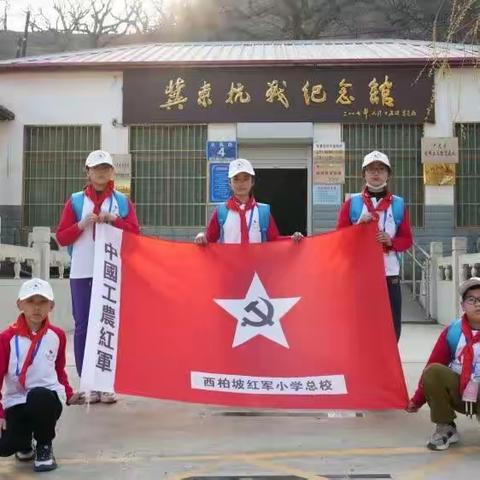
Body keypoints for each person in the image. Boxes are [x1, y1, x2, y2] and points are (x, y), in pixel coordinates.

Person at [56, 150, 140, 404]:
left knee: (109, 325)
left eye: (105, 168)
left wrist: (114, 220)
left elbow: (135, 235)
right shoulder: (76, 201)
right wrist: (82, 224)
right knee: (83, 326)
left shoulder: (122, 202)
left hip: (112, 272)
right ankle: (87, 383)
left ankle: (107, 383)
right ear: (88, 172)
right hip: (82, 271)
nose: (101, 172)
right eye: (96, 168)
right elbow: (61, 237)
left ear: (112, 172)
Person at [0, 278, 84, 472]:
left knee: (39, 396)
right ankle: (23, 442)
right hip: (16, 401)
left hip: (46, 400)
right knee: (5, 446)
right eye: (30, 302)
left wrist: (69, 395)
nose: (36, 308)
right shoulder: (6, 338)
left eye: (42, 302)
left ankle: (44, 445)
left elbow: (59, 369)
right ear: (20, 304)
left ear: (51, 305)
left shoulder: (57, 335)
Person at [336, 150, 412, 341]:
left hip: (389, 273)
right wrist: (358, 227)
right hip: (360, 273)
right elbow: (339, 239)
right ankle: (362, 367)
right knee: (360, 321)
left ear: (388, 174)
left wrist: (391, 241)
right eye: (371, 170)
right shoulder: (351, 203)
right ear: (364, 174)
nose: (376, 174)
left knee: (391, 324)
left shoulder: (399, 204)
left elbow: (407, 240)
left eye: (381, 169)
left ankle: (388, 367)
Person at [406, 277, 480, 450]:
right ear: (463, 306)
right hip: (460, 392)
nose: (478, 304)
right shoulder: (453, 331)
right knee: (433, 372)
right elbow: (433, 364)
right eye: (472, 300)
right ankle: (446, 427)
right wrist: (417, 400)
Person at [195, 158, 303, 244]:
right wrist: (201, 237)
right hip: (229, 270)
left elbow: (274, 241)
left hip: (256, 270)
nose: (241, 184)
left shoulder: (263, 211)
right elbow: (209, 240)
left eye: (245, 178)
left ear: (252, 182)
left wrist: (292, 239)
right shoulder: (221, 211)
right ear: (229, 183)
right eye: (236, 179)